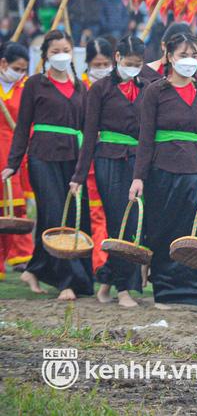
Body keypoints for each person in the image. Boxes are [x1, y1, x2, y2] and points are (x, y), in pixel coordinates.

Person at [1, 30, 92, 301]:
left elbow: (87, 130)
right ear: (45, 56)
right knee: (54, 216)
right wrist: (13, 164)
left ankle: (36, 269)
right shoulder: (35, 84)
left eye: (66, 49)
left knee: (77, 216)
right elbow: (22, 128)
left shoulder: (80, 86)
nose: (61, 55)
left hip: (73, 159)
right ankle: (64, 282)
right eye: (55, 51)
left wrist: (84, 165)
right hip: (42, 157)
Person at [129, 31, 197, 308]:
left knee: (195, 230)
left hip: (196, 171)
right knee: (163, 229)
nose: (189, 61)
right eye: (183, 55)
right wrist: (138, 177)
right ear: (169, 56)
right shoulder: (156, 90)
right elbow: (145, 138)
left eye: (194, 56)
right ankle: (166, 291)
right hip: (162, 170)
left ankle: (195, 290)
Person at [71, 36, 146, 308]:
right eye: (129, 63)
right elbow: (89, 135)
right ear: (117, 58)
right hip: (108, 160)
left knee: (134, 223)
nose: (134, 68)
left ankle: (106, 280)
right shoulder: (100, 89)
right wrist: (79, 176)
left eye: (139, 64)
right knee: (118, 223)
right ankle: (123, 289)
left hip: (137, 162)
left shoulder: (148, 88)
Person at [80, 38, 114, 279]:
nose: (101, 68)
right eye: (97, 63)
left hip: (112, 155)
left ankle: (107, 262)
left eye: (105, 63)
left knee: (108, 211)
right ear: (88, 64)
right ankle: (96, 262)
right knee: (93, 213)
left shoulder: (117, 85)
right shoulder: (80, 86)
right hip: (86, 154)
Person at [0, 43, 33, 285]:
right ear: (3, 64)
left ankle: (20, 253)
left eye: (23, 69)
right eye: (15, 68)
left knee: (17, 206)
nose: (19, 73)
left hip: (17, 149)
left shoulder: (26, 87)